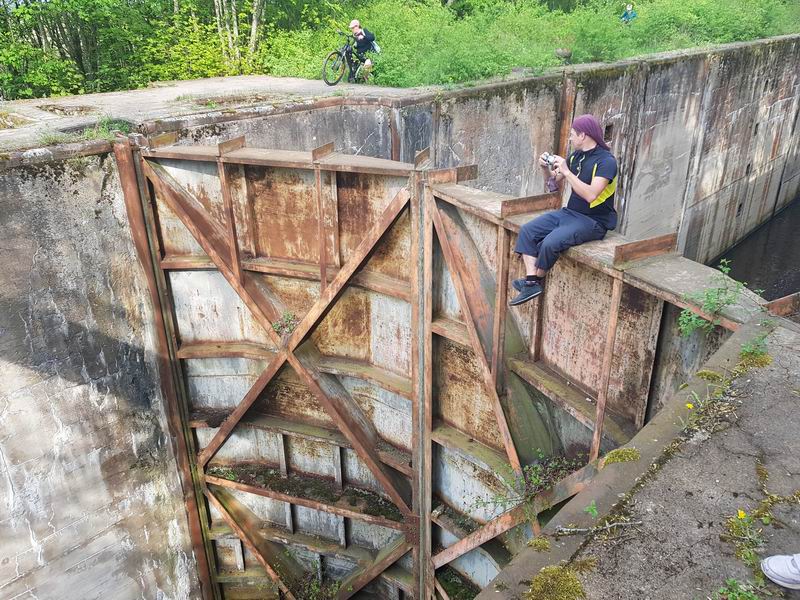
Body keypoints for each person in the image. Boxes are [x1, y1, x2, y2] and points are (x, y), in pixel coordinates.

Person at [509, 114, 618, 306]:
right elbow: (553, 184)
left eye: (573, 134)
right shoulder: (576, 156)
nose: (570, 138)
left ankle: (533, 282)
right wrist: (545, 168)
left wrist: (567, 172)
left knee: (550, 242)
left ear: (583, 135)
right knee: (528, 230)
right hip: (570, 213)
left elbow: (591, 195)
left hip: (594, 222)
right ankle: (532, 282)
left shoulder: (606, 162)